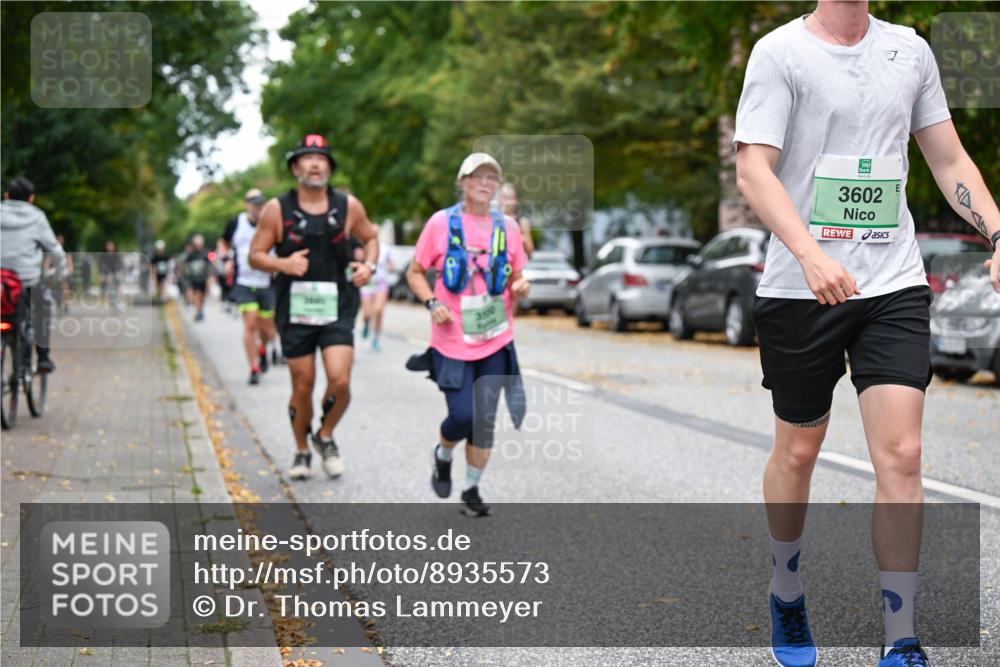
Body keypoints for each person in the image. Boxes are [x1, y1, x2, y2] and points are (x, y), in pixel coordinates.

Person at [733, 3, 1000, 666]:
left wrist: (998, 229)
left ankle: (901, 636)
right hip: (803, 287)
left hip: (892, 283)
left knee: (903, 453)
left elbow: (947, 157)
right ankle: (787, 587)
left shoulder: (909, 52)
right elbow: (753, 168)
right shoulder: (779, 53)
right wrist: (810, 254)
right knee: (797, 452)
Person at [405, 153, 531, 516]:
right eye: (477, 176)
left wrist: (521, 286)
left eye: (492, 177)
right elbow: (415, 272)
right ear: (463, 182)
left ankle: (471, 489)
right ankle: (443, 453)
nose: (485, 183)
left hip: (496, 336)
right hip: (452, 340)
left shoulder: (507, 226)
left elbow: (516, 276)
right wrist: (431, 302)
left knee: (485, 418)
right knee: (462, 416)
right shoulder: (440, 223)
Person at [249, 133, 380, 480]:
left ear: (329, 168)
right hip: (295, 308)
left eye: (322, 158)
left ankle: (324, 435)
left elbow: (371, 238)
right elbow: (255, 255)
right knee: (302, 384)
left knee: (339, 379)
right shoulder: (278, 209)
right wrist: (283, 264)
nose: (315, 163)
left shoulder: (348, 205)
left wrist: (369, 266)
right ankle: (302, 450)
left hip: (338, 303)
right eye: (307, 158)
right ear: (295, 168)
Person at [0, 176, 67, 373]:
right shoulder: (37, 217)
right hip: (25, 280)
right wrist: (56, 277)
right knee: (42, 306)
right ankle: (43, 357)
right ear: (31, 198)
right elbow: (56, 252)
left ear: (7, 195)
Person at [220, 188, 279, 385]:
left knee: (268, 330)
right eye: (253, 203)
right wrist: (226, 259)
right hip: (244, 282)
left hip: (266, 283)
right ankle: (253, 367)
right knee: (250, 323)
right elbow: (223, 242)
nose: (256, 207)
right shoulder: (236, 223)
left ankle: (262, 348)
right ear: (247, 204)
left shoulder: (270, 224)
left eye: (260, 203)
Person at [359, 237, 393, 352]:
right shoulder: (364, 248)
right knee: (367, 313)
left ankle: (376, 339)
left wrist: (392, 267)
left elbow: (391, 264)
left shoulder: (385, 249)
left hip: (381, 283)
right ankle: (366, 324)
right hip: (367, 284)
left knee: (378, 311)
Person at [500, 182, 535, 258]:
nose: (507, 202)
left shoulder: (522, 222)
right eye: (504, 197)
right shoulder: (492, 219)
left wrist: (517, 236)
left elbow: (530, 252)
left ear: (516, 201)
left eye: (511, 198)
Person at [183, 235, 211, 321]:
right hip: (194, 279)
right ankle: (198, 312)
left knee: (202, 296)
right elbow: (185, 265)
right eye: (197, 244)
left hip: (204, 278)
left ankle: (200, 309)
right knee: (196, 294)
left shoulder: (206, 253)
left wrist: (210, 277)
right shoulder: (191, 255)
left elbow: (212, 264)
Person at [99, 239, 123, 312]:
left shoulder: (116, 255)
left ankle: (119, 302)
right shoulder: (104, 256)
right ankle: (112, 301)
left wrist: (119, 273)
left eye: (111, 245)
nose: (110, 247)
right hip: (107, 274)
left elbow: (119, 265)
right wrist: (102, 275)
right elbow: (102, 266)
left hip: (115, 273)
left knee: (118, 287)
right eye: (108, 246)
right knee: (108, 287)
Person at [151, 239, 171, 304]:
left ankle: (164, 297)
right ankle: (160, 297)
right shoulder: (154, 258)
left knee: (164, 285)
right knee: (158, 287)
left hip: (165, 275)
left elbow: (170, 266)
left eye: (161, 249)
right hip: (157, 275)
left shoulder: (167, 257)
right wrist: (154, 277)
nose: (160, 251)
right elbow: (152, 267)